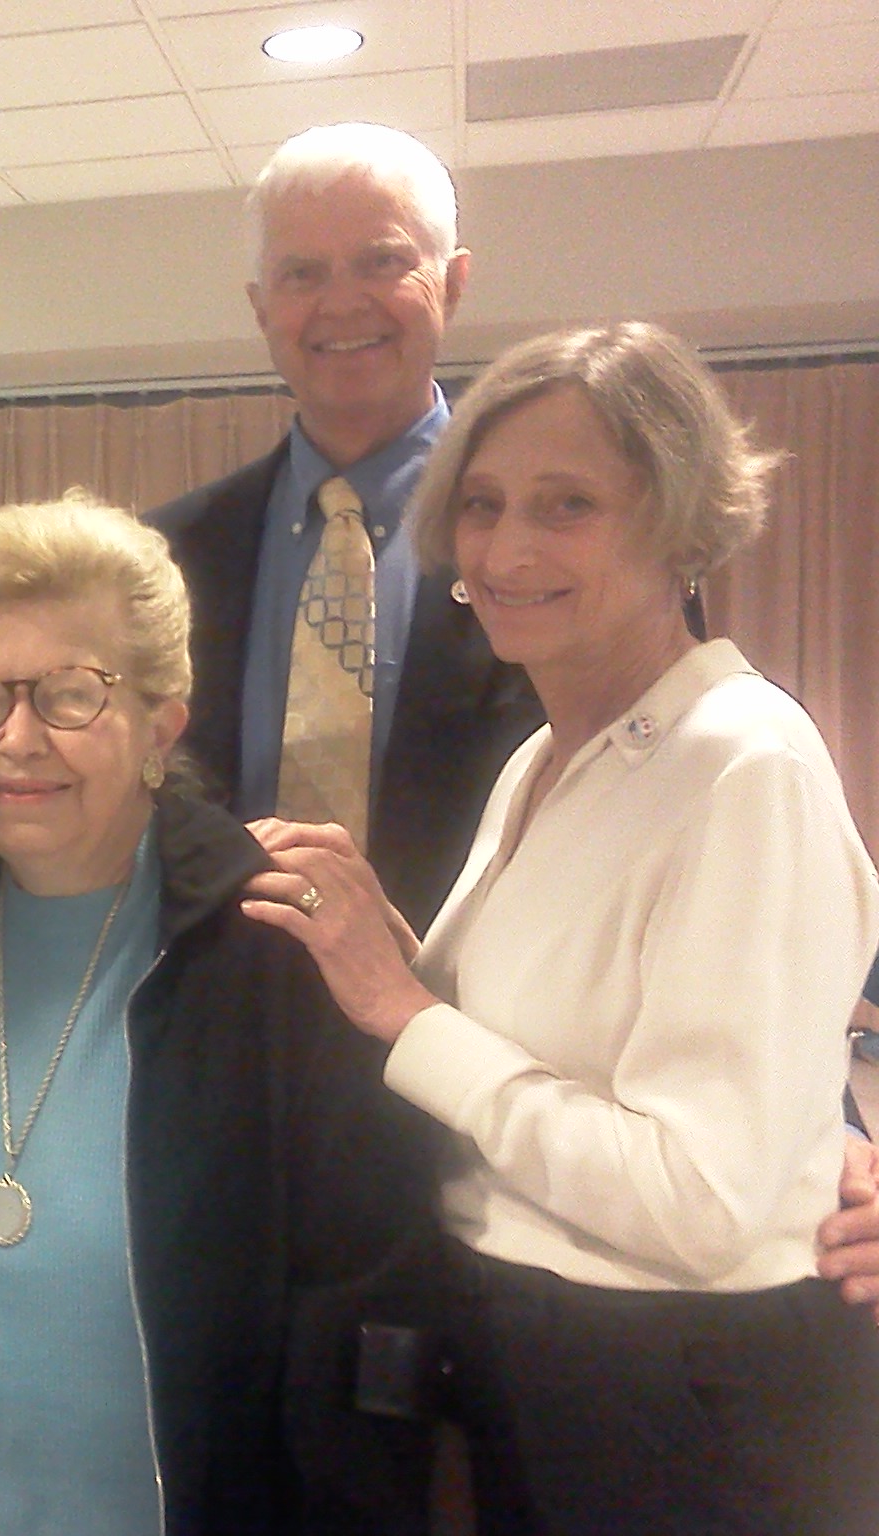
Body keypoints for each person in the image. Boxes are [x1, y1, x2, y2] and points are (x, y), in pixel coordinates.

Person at [244, 322, 879, 1534]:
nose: (505, 549)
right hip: (542, 1359)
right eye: (481, 505)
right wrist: (378, 944)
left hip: (687, 1390)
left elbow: (696, 1204)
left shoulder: (741, 763)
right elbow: (537, 1043)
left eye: (566, 504)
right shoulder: (548, 754)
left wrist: (404, 1012)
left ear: (679, 525)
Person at [0, 496, 442, 1536]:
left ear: (160, 724)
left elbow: (365, 1304)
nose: (16, 740)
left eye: (69, 695)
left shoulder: (275, 943)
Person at [149, 122, 542, 933]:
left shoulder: (557, 545)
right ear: (261, 308)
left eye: (381, 261)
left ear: (454, 282)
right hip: (217, 987)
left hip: (476, 994)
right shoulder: (167, 554)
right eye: (302, 273)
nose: (341, 303)